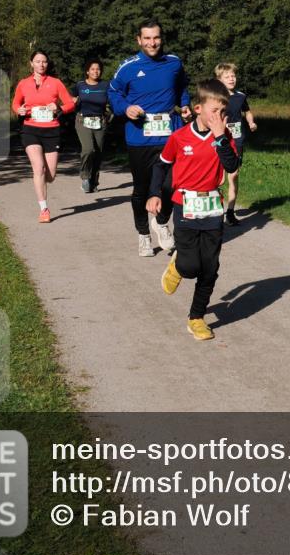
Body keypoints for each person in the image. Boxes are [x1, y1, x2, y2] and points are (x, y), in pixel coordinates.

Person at [147, 79, 240, 340]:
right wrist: (154, 193)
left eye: (223, 111)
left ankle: (196, 317)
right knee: (190, 266)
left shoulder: (224, 136)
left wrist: (220, 137)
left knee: (210, 268)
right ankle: (178, 268)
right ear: (198, 108)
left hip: (212, 209)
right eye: (214, 111)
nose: (219, 116)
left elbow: (232, 166)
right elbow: (161, 165)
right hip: (185, 206)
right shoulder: (179, 137)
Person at [109, 20, 192, 257]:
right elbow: (113, 93)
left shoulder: (174, 62)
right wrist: (125, 108)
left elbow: (181, 87)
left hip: (170, 136)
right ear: (139, 40)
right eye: (147, 38)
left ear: (161, 38)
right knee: (141, 189)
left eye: (156, 38)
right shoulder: (128, 67)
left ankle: (162, 221)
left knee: (172, 184)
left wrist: (185, 105)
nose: (152, 43)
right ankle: (143, 234)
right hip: (140, 138)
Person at [11, 50, 75, 223]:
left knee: (50, 175)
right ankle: (44, 209)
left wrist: (59, 108)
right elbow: (16, 103)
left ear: (47, 64)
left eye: (44, 61)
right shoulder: (23, 83)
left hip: (51, 131)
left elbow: (70, 103)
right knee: (38, 168)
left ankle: (42, 179)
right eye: (38, 61)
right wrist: (18, 110)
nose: (41, 64)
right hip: (30, 129)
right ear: (31, 63)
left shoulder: (56, 83)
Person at [214, 62, 257, 225]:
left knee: (234, 175)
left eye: (233, 76)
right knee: (218, 178)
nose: (232, 79)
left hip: (237, 139)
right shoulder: (216, 97)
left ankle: (230, 212)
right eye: (227, 77)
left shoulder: (240, 96)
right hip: (219, 139)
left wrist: (251, 122)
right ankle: (214, 209)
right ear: (219, 80)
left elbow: (247, 111)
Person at [71, 58, 111, 194]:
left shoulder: (105, 85)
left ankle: (93, 182)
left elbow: (112, 101)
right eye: (92, 69)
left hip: (100, 121)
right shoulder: (80, 85)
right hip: (83, 120)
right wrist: (73, 100)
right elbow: (69, 98)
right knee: (88, 149)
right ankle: (85, 176)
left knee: (98, 153)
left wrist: (110, 114)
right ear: (87, 71)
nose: (96, 71)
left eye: (98, 69)